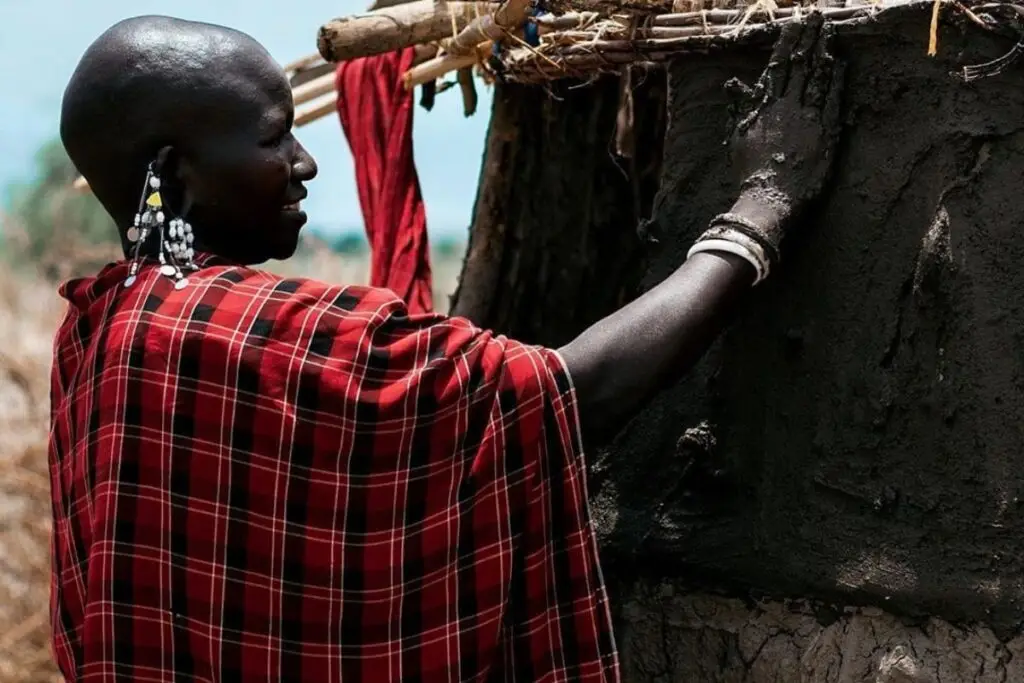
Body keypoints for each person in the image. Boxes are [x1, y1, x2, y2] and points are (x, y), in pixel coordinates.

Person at [49, 12, 843, 683]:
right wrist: (759, 212)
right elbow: (568, 395)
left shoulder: (94, 338)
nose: (305, 161)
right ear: (173, 179)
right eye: (272, 139)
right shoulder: (286, 335)